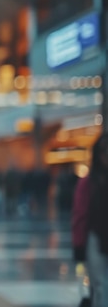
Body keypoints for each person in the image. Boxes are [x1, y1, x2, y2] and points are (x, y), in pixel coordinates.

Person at [72, 132, 108, 307]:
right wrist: (79, 245)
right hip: (96, 238)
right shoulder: (89, 183)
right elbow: (80, 215)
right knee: (101, 286)